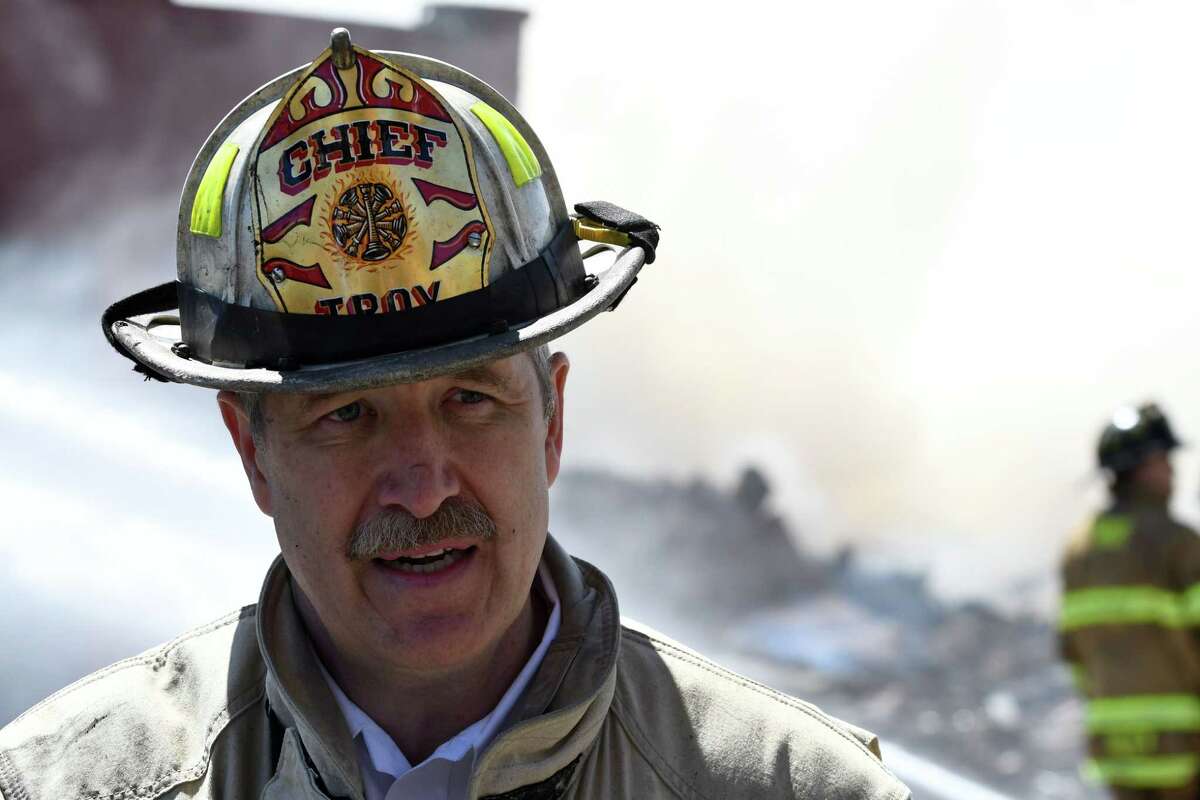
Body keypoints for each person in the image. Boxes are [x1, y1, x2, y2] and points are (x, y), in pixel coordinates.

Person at [0, 31, 910, 800]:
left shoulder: (792, 786)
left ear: (550, 424)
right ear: (253, 457)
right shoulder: (66, 782)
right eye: (348, 415)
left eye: (471, 399)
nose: (425, 483)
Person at [1060, 402, 1200, 799]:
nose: (1173, 470)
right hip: (1185, 748)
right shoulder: (1177, 543)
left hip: (1114, 749)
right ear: (1139, 467)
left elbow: (1073, 654)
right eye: (1164, 458)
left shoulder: (1078, 550)